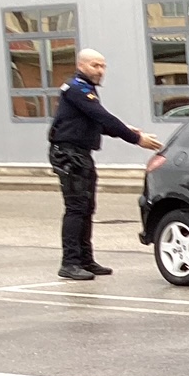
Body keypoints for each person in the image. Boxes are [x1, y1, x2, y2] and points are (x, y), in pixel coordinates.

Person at [47, 49, 162, 280]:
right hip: (69, 155)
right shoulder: (76, 88)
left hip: (80, 155)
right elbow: (102, 116)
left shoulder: (86, 90)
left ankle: (85, 260)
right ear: (81, 65)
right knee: (76, 208)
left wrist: (128, 131)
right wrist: (136, 139)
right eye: (95, 66)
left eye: (102, 66)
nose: (100, 71)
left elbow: (99, 124)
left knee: (87, 208)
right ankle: (69, 263)